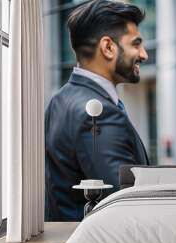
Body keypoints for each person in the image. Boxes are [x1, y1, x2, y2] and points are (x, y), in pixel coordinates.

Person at [45, 0, 149, 221]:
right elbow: (125, 203)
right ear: (108, 48)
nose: (143, 54)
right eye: (136, 44)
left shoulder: (60, 99)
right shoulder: (99, 113)